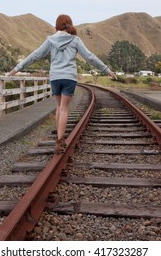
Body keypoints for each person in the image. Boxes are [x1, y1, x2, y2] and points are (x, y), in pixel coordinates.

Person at [7, 14, 117, 154]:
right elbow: (90, 57)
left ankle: (58, 136)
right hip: (69, 77)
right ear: (69, 25)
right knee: (64, 108)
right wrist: (107, 70)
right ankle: (60, 140)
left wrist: (17, 68)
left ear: (56, 26)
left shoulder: (50, 40)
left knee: (59, 107)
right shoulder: (75, 40)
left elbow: (35, 55)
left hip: (55, 77)